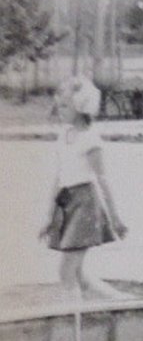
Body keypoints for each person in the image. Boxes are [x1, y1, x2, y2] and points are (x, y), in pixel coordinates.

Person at [39, 78, 126, 299]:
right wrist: (49, 216)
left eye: (65, 106)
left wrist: (115, 218)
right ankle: (122, 302)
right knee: (78, 274)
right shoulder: (64, 136)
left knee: (66, 272)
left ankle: (74, 317)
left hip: (85, 205)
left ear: (81, 106)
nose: (59, 110)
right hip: (66, 202)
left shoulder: (90, 139)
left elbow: (102, 180)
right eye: (59, 105)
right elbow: (59, 177)